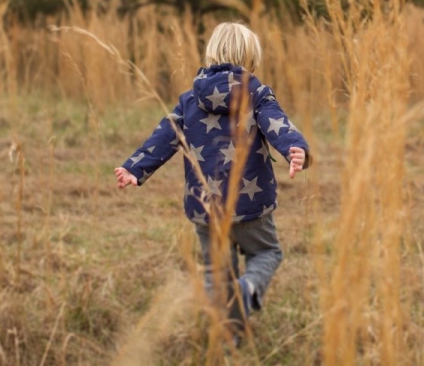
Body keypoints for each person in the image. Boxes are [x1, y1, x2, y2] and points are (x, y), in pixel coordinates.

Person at [114, 21, 311, 335]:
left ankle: (224, 334)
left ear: (210, 54)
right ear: (250, 59)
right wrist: (295, 148)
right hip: (251, 203)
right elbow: (278, 125)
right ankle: (246, 291)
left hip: (204, 206)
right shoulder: (257, 94)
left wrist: (135, 169)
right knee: (266, 252)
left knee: (218, 272)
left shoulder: (188, 100)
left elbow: (164, 137)